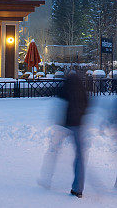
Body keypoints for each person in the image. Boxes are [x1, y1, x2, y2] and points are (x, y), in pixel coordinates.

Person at [39, 70, 89, 198]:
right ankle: (78, 189)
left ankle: (47, 178)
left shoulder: (65, 86)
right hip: (78, 124)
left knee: (54, 150)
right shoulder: (82, 89)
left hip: (65, 123)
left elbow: (59, 103)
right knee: (80, 157)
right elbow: (87, 105)